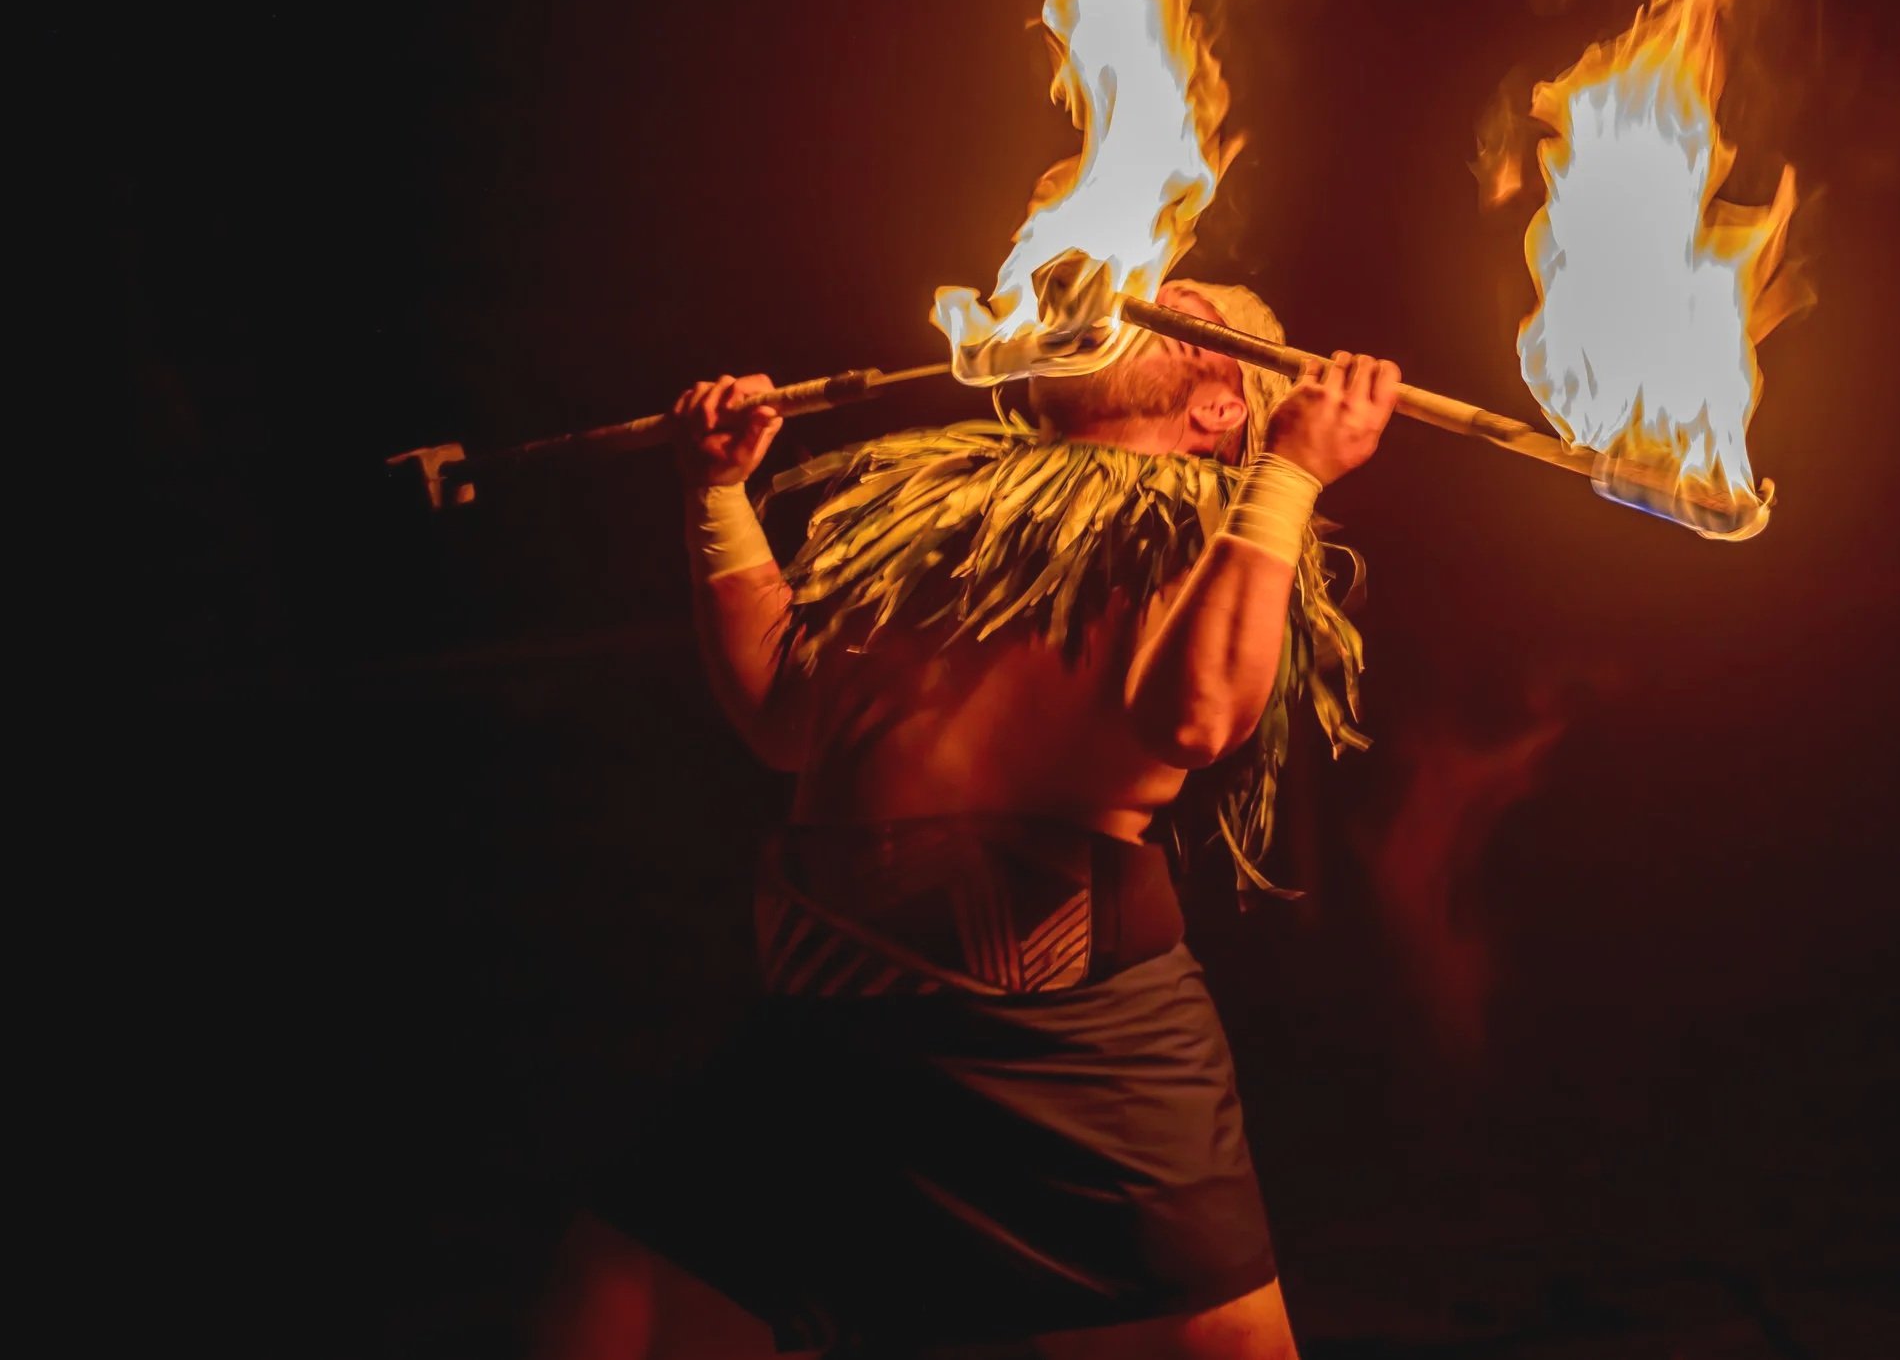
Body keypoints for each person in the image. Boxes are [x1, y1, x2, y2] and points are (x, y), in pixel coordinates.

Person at [532, 280, 1400, 1359]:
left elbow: (1195, 713)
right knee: (610, 1321)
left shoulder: (1201, 515)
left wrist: (1291, 472)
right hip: (832, 1031)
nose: (1146, 286)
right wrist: (717, 492)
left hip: (1070, 1052)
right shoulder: (944, 507)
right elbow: (785, 712)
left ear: (1223, 406)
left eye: (1185, 301)